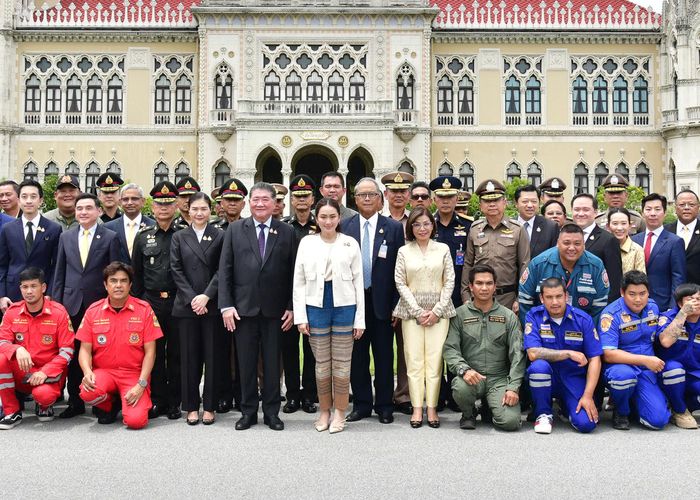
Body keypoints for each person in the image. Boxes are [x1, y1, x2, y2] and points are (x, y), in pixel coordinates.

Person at [219, 182, 297, 431]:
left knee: (273, 365)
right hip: (243, 310)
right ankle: (248, 411)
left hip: (276, 312)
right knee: (246, 364)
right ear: (249, 203)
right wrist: (226, 306)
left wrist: (292, 306)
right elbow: (225, 270)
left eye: (266, 199)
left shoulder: (286, 232)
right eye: (256, 199)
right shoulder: (235, 230)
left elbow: (295, 273)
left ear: (275, 204)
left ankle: (272, 412)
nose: (260, 204)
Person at [293, 198, 364, 433]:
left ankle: (340, 412)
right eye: (323, 217)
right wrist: (300, 317)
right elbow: (299, 282)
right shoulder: (307, 243)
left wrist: (359, 319)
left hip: (345, 306)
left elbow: (358, 281)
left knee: (342, 366)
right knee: (322, 365)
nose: (328, 221)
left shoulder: (350, 244)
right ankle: (324, 411)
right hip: (316, 306)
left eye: (332, 216)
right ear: (316, 218)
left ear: (339, 218)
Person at [341, 177, 404, 424]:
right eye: (361, 195)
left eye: (371, 194)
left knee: (384, 356)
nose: (367, 199)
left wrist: (396, 305)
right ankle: (363, 404)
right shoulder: (344, 227)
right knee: (357, 358)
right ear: (354, 200)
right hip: (353, 303)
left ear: (380, 198)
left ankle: (385, 405)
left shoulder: (393, 228)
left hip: (383, 304)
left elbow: (399, 270)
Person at [52, 193, 120, 418]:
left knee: (100, 353)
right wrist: (57, 304)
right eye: (79, 208)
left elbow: (114, 274)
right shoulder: (66, 237)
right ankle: (75, 401)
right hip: (70, 304)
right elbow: (59, 272)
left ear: (98, 211)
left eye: (88, 208)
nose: (82, 212)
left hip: (99, 304)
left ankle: (102, 399)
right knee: (73, 353)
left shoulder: (110, 237)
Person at [77, 262, 162, 429]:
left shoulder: (144, 309)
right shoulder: (93, 311)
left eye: (123, 281)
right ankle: (109, 403)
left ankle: (127, 402)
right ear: (105, 285)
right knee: (87, 392)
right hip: (104, 372)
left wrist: (141, 384)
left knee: (136, 422)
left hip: (133, 375)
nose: (118, 285)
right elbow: (84, 350)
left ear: (130, 285)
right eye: (113, 281)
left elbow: (150, 353)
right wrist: (87, 372)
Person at [393, 207, 455, 428]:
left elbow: (449, 281)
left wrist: (437, 310)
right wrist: (418, 311)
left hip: (439, 312)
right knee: (414, 359)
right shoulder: (404, 251)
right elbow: (400, 282)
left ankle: (432, 408)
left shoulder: (443, 249)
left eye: (426, 224)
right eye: (417, 224)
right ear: (410, 227)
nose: (422, 228)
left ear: (433, 226)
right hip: (412, 313)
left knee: (435, 360)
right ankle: (417, 408)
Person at [444, 264, 524, 431]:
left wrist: (513, 387)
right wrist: (464, 370)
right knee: (459, 387)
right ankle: (468, 413)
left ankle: (489, 407)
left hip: (499, 378)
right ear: (471, 287)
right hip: (472, 376)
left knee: (510, 422)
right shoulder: (459, 315)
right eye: (479, 283)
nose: (484, 288)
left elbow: (518, 355)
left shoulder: (508, 316)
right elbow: (450, 349)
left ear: (495, 286)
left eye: (489, 283)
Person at [170, 192, 224, 426]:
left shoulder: (219, 235)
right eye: (195, 209)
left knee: (212, 357)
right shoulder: (179, 236)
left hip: (211, 305)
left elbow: (222, 269)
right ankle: (191, 406)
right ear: (188, 211)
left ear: (210, 210)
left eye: (204, 209)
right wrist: (193, 298)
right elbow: (176, 269)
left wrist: (206, 296)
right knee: (189, 358)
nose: (199, 213)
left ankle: (210, 405)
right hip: (186, 305)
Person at [131, 181, 182, 420]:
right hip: (151, 303)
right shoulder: (143, 237)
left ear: (176, 205)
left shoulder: (184, 234)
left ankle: (175, 401)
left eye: (169, 203)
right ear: (153, 205)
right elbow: (137, 274)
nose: (164, 207)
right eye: (160, 203)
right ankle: (157, 400)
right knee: (154, 353)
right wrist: (139, 305)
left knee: (177, 354)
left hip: (178, 302)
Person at [524, 278, 602, 434]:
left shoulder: (582, 319)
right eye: (549, 297)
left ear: (566, 296)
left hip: (573, 378)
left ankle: (566, 407)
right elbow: (533, 353)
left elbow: (595, 359)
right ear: (541, 298)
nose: (554, 302)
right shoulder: (534, 316)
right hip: (547, 377)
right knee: (538, 367)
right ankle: (543, 413)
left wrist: (587, 396)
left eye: (559, 296)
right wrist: (567, 353)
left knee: (586, 425)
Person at [0, 267, 73, 429]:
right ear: (20, 289)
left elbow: (67, 350)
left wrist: (45, 371)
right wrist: (16, 349)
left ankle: (44, 405)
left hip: (48, 375)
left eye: (34, 286)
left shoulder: (58, 313)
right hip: (22, 372)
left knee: (43, 395)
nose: (29, 291)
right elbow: (2, 342)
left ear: (44, 287)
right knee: (1, 359)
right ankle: (11, 411)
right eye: (25, 287)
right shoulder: (12, 312)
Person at [599, 270, 669, 430]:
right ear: (622, 292)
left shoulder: (653, 307)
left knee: (658, 421)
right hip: (620, 367)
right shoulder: (610, 314)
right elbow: (608, 354)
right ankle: (621, 411)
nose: (638, 299)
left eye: (642, 293)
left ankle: (635, 402)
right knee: (623, 378)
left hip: (646, 371)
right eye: (632, 294)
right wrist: (644, 360)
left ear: (648, 292)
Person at [461, 179, 529, 313]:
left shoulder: (517, 229)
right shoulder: (475, 229)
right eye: (487, 201)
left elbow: (525, 265)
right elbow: (468, 264)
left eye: (496, 200)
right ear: (480, 205)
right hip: (478, 298)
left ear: (504, 203)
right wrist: (465, 295)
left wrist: (520, 297)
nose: (492, 204)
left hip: (507, 298)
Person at [280, 174, 318, 414]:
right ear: (292, 200)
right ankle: (292, 395)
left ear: (313, 199)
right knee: (290, 349)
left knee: (313, 349)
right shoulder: (284, 228)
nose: (302, 200)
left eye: (306, 196)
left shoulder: (321, 225)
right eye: (297, 196)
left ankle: (310, 395)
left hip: (314, 297)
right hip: (289, 298)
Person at [519, 223, 609, 324]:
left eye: (577, 244)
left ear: (584, 244)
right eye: (566, 243)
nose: (571, 248)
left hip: (582, 329)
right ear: (558, 243)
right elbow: (525, 301)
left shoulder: (595, 266)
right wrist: (533, 330)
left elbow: (600, 306)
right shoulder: (539, 264)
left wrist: (588, 332)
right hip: (544, 329)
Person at [380, 171, 414, 416]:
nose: (399, 195)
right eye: (394, 191)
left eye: (403, 191)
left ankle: (403, 395)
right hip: (381, 297)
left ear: (409, 195)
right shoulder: (377, 223)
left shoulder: (417, 223)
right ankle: (381, 395)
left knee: (406, 351)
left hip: (410, 298)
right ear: (386, 194)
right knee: (381, 350)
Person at [0, 180, 61, 311]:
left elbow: (56, 265)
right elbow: (2, 265)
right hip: (12, 293)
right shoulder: (7, 229)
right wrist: (2, 295)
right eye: (24, 196)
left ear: (40, 200)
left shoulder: (53, 229)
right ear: (18, 199)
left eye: (33, 197)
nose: (28, 201)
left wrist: (50, 293)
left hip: (41, 292)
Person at [655, 283, 700, 429]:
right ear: (680, 303)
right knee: (674, 369)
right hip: (668, 374)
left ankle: (687, 404)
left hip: (694, 375)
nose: (696, 302)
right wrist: (683, 314)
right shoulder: (668, 317)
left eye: (699, 299)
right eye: (691, 299)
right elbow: (666, 341)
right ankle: (680, 411)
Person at [632, 193, 686, 312]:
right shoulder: (634, 240)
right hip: (634, 303)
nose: (652, 213)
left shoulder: (675, 241)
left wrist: (672, 307)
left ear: (665, 213)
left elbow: (678, 277)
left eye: (657, 209)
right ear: (642, 213)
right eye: (648, 209)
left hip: (662, 304)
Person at [572, 193, 623, 301]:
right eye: (577, 209)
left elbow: (614, 280)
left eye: (586, 209)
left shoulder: (608, 240)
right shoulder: (564, 237)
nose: (580, 213)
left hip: (596, 304)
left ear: (595, 212)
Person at [104, 184, 154, 264]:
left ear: (143, 201)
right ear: (120, 202)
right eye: (125, 199)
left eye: (134, 199)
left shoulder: (153, 226)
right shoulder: (108, 228)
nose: (130, 203)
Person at [664, 189, 700, 286]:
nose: (687, 208)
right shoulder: (665, 231)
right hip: (672, 290)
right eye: (682, 205)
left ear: (698, 207)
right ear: (675, 208)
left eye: (691, 205)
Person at [514, 184, 559, 258]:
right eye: (525, 201)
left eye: (534, 201)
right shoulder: (508, 225)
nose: (530, 205)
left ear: (539, 202)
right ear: (516, 203)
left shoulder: (551, 227)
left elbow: (554, 256)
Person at [607, 207, 646, 274]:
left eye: (624, 223)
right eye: (615, 223)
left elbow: (640, 279)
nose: (619, 228)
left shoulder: (637, 250)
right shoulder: (603, 246)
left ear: (629, 226)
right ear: (608, 226)